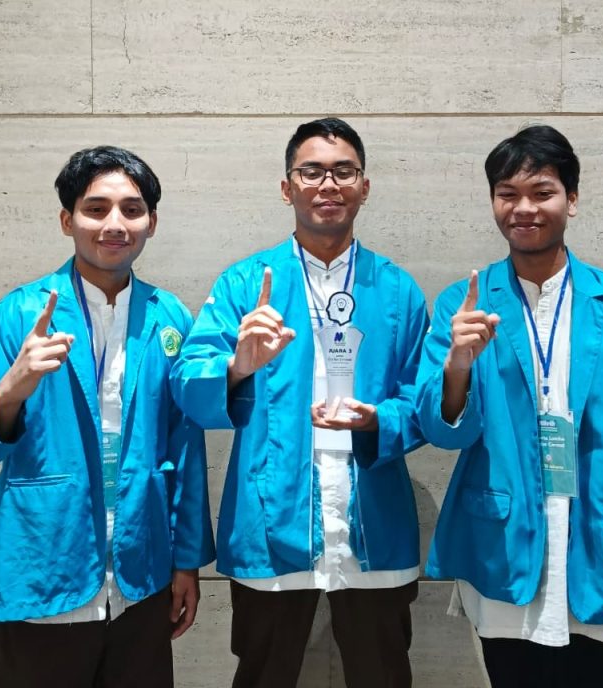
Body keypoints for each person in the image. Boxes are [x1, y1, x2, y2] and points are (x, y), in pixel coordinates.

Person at [416, 124, 603, 688]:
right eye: (507, 193)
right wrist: (458, 366)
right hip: (506, 551)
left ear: (572, 199)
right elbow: (442, 433)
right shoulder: (464, 305)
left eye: (541, 192)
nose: (523, 208)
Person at [0, 145, 215, 688]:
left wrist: (186, 561)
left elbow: (186, 448)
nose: (115, 224)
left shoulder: (169, 318)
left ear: (152, 222)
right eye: (96, 209)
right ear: (67, 220)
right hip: (41, 575)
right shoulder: (19, 314)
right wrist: (9, 392)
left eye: (132, 210)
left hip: (140, 581)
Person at [171, 117, 428, 688]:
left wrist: (379, 419)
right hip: (270, 518)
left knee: (385, 676)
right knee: (262, 674)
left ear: (365, 186)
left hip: (373, 520)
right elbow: (187, 382)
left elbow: (425, 402)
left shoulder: (397, 289)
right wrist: (237, 366)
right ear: (287, 187)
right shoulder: (246, 284)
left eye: (343, 171)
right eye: (311, 172)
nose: (328, 184)